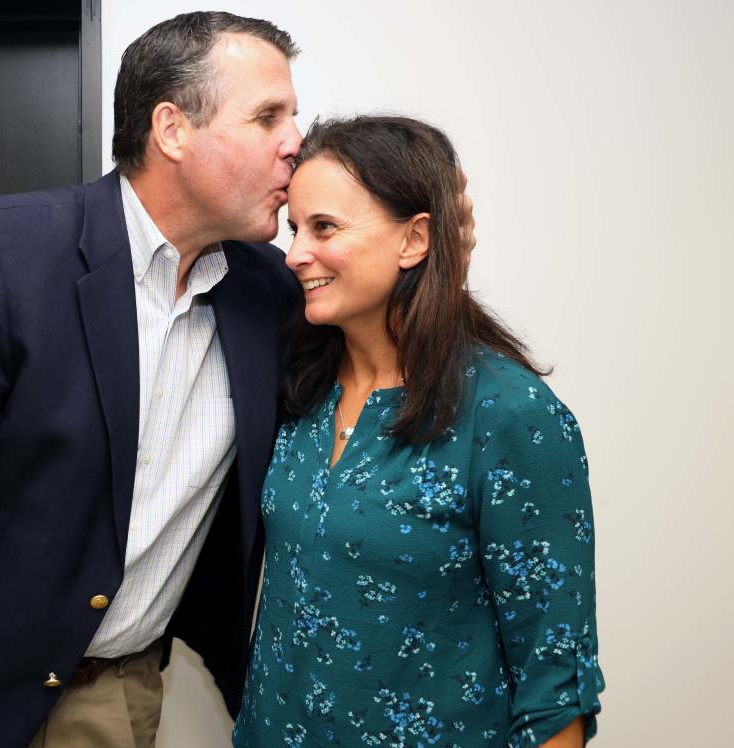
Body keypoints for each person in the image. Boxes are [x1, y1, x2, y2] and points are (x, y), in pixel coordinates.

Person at [0, 13, 476, 748]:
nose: (296, 141)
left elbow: (383, 348)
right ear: (172, 130)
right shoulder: (7, 254)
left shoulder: (273, 295)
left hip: (119, 697)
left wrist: (433, 251)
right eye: (267, 117)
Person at [232, 116, 604, 748]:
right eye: (295, 228)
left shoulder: (508, 415)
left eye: (324, 227)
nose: (295, 253)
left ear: (415, 239)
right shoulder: (300, 388)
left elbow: (555, 681)